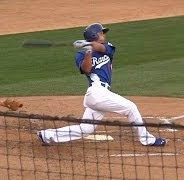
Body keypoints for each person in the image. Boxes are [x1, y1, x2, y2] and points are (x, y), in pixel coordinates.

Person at [37, 23, 167, 147]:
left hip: (101, 95)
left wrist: (89, 44)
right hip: (96, 93)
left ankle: (47, 135)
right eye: (101, 33)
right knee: (131, 108)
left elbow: (102, 48)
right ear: (95, 35)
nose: (104, 36)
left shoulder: (107, 47)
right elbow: (86, 70)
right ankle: (147, 140)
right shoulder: (81, 54)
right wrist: (88, 51)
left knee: (85, 129)